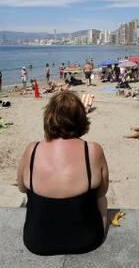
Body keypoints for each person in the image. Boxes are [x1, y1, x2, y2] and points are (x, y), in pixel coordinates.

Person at [17, 91, 109, 255]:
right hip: (87, 241)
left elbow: (22, 188)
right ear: (81, 118)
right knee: (102, 199)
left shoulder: (32, 149)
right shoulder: (93, 150)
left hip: (36, 242)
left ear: (49, 118)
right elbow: (102, 192)